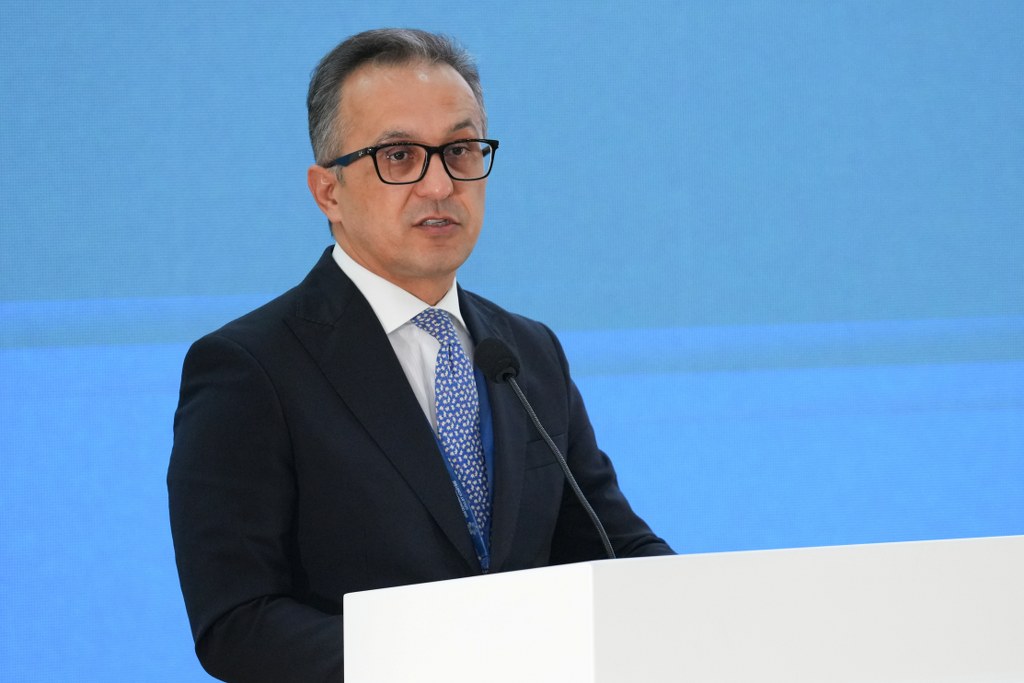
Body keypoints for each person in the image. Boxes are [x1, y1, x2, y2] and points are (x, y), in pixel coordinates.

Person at [167, 28, 673, 683]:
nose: (439, 184)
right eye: (399, 156)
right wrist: (447, 662)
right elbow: (237, 622)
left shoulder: (527, 351)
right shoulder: (249, 368)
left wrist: (705, 607)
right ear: (328, 192)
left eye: (460, 150)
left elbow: (610, 546)